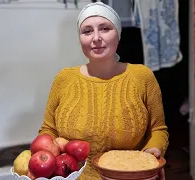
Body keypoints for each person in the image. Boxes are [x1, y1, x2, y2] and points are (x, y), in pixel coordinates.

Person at [38, 2, 169, 180]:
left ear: (118, 34)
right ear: (80, 38)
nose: (96, 37)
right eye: (87, 31)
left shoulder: (142, 77)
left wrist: (153, 151)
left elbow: (158, 129)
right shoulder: (64, 79)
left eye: (105, 28)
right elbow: (48, 130)